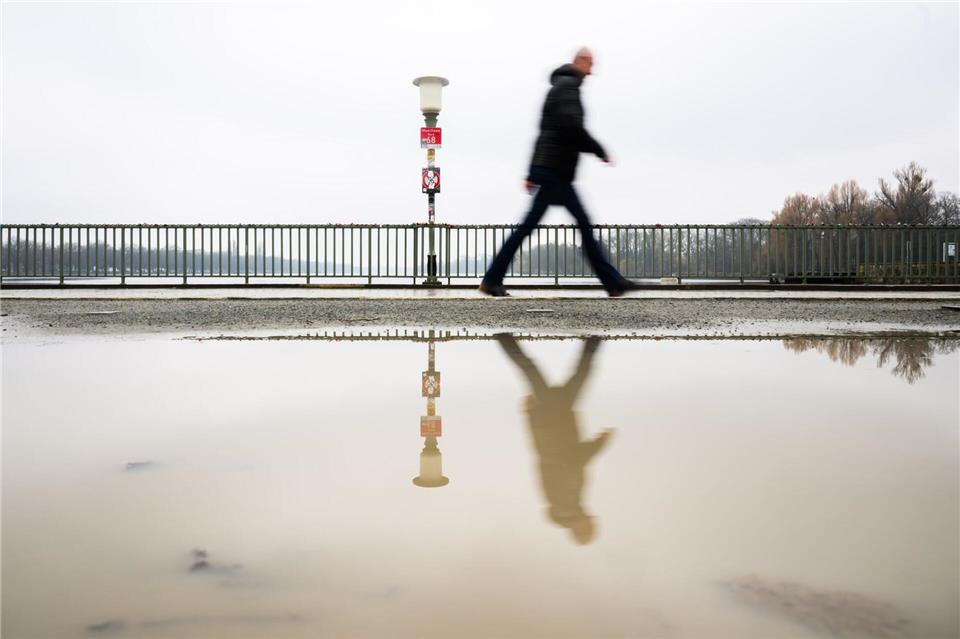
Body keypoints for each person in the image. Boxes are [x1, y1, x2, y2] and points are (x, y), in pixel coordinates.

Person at [479, 47, 637, 297]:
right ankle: (613, 282)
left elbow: (545, 133)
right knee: (582, 226)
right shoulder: (568, 87)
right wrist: (599, 150)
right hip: (556, 171)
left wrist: (532, 172)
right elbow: (571, 127)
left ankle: (492, 279)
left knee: (531, 228)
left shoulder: (560, 87)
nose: (592, 71)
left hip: (550, 169)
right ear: (580, 61)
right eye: (590, 64)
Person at [495, 333, 614, 545]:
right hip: (551, 422)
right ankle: (502, 336)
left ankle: (598, 329)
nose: (593, 519)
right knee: (536, 370)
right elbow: (544, 458)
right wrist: (531, 418)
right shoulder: (564, 504)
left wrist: (601, 442)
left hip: (555, 419)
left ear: (581, 528)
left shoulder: (566, 502)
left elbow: (573, 459)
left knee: (578, 369)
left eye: (591, 526)